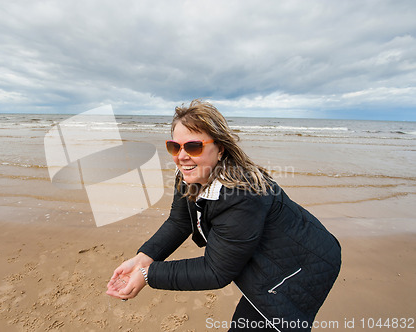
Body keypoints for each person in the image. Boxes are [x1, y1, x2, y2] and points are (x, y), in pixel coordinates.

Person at [106, 99, 341, 331]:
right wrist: (144, 258)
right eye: (174, 146)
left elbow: (215, 271)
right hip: (267, 254)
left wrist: (148, 275)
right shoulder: (188, 173)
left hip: (304, 264)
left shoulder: (242, 193)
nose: (181, 156)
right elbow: (180, 221)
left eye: (193, 146)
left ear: (220, 148)